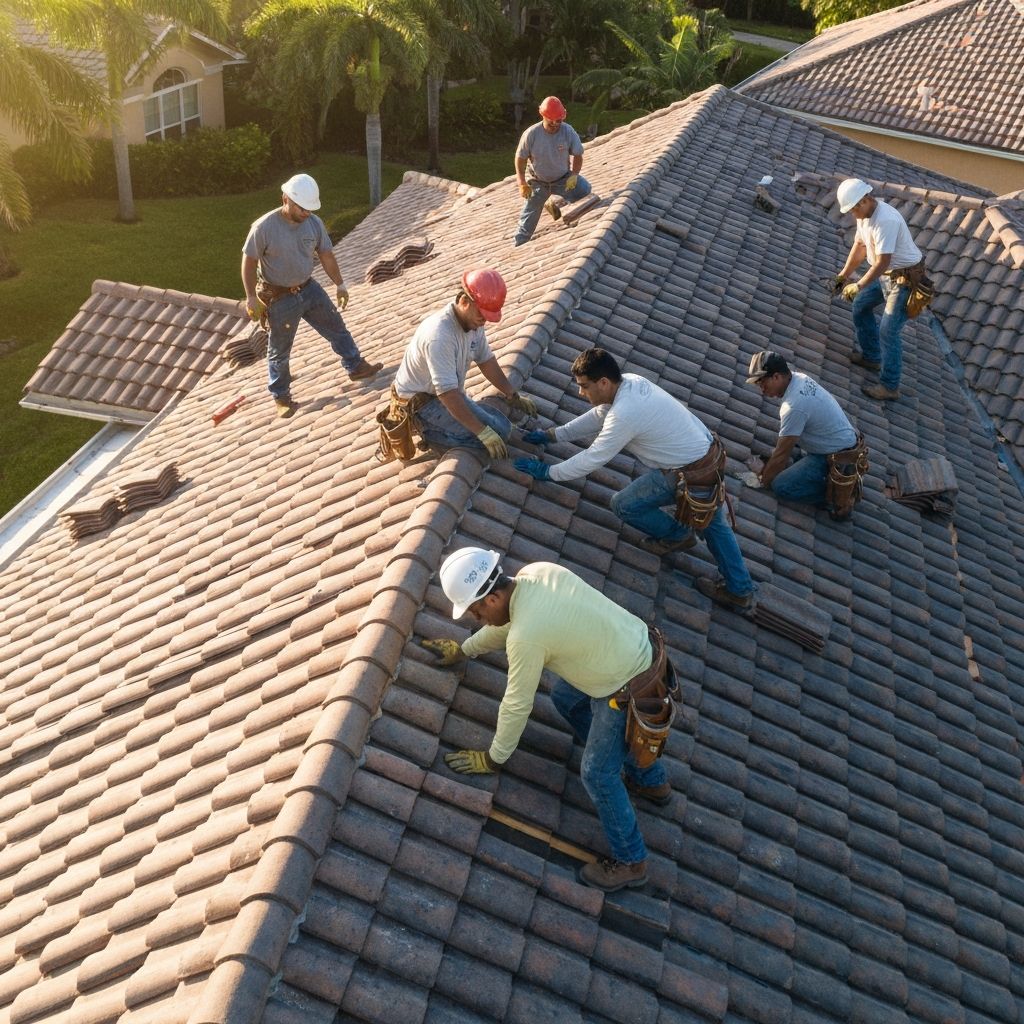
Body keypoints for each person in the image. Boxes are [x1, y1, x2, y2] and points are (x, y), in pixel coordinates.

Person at [423, 546, 673, 892]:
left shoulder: (527, 635)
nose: (478, 619)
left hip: (626, 689)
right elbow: (508, 626)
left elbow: (517, 702)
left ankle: (632, 861)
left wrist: (494, 758)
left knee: (597, 774)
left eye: (477, 611)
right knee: (565, 698)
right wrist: (465, 649)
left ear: (493, 598)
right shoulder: (535, 573)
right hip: (639, 653)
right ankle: (649, 779)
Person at [513, 348, 755, 610]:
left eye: (584, 387)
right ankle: (718, 568)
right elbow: (599, 416)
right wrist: (554, 435)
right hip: (703, 456)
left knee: (625, 505)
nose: (580, 393)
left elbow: (593, 458)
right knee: (713, 525)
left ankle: (716, 570)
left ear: (604, 382)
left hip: (693, 473)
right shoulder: (629, 382)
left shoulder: (625, 414)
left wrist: (549, 473)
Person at [242, 173, 382, 418]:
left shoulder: (314, 223)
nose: (306, 213)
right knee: (279, 349)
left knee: (336, 327)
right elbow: (249, 261)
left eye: (309, 209)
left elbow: (326, 255)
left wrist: (340, 284)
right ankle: (281, 396)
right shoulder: (264, 227)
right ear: (285, 199)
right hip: (280, 297)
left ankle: (355, 366)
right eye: (302, 208)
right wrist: (251, 298)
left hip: (309, 289)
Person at [392, 268, 536, 459]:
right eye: (482, 315)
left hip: (449, 393)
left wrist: (511, 394)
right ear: (464, 301)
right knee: (482, 444)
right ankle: (431, 434)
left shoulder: (474, 323)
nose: (484, 322)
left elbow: (486, 361)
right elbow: (447, 394)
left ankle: (456, 428)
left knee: (502, 429)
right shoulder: (439, 336)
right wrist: (481, 432)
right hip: (423, 404)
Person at [832, 178, 924, 401]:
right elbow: (860, 247)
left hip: (905, 279)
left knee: (888, 331)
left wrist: (859, 284)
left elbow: (882, 262)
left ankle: (890, 386)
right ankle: (872, 357)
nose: (853, 214)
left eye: (854, 209)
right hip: (887, 275)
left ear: (865, 200)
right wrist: (843, 276)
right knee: (861, 306)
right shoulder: (864, 217)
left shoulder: (886, 220)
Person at [745, 351, 862, 519]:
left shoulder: (794, 406)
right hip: (838, 443)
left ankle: (837, 495)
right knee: (788, 455)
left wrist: (762, 480)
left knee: (780, 486)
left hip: (835, 455)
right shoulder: (798, 378)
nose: (762, 390)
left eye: (763, 383)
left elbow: (780, 455)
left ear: (776, 377)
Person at [513, 96, 591, 246]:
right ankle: (519, 243)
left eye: (559, 121)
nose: (555, 125)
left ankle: (554, 204)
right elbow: (520, 158)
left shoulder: (568, 131)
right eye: (551, 122)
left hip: (563, 179)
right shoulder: (531, 134)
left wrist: (574, 175)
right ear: (543, 115)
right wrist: (521, 182)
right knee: (528, 217)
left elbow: (578, 155)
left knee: (584, 190)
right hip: (539, 182)